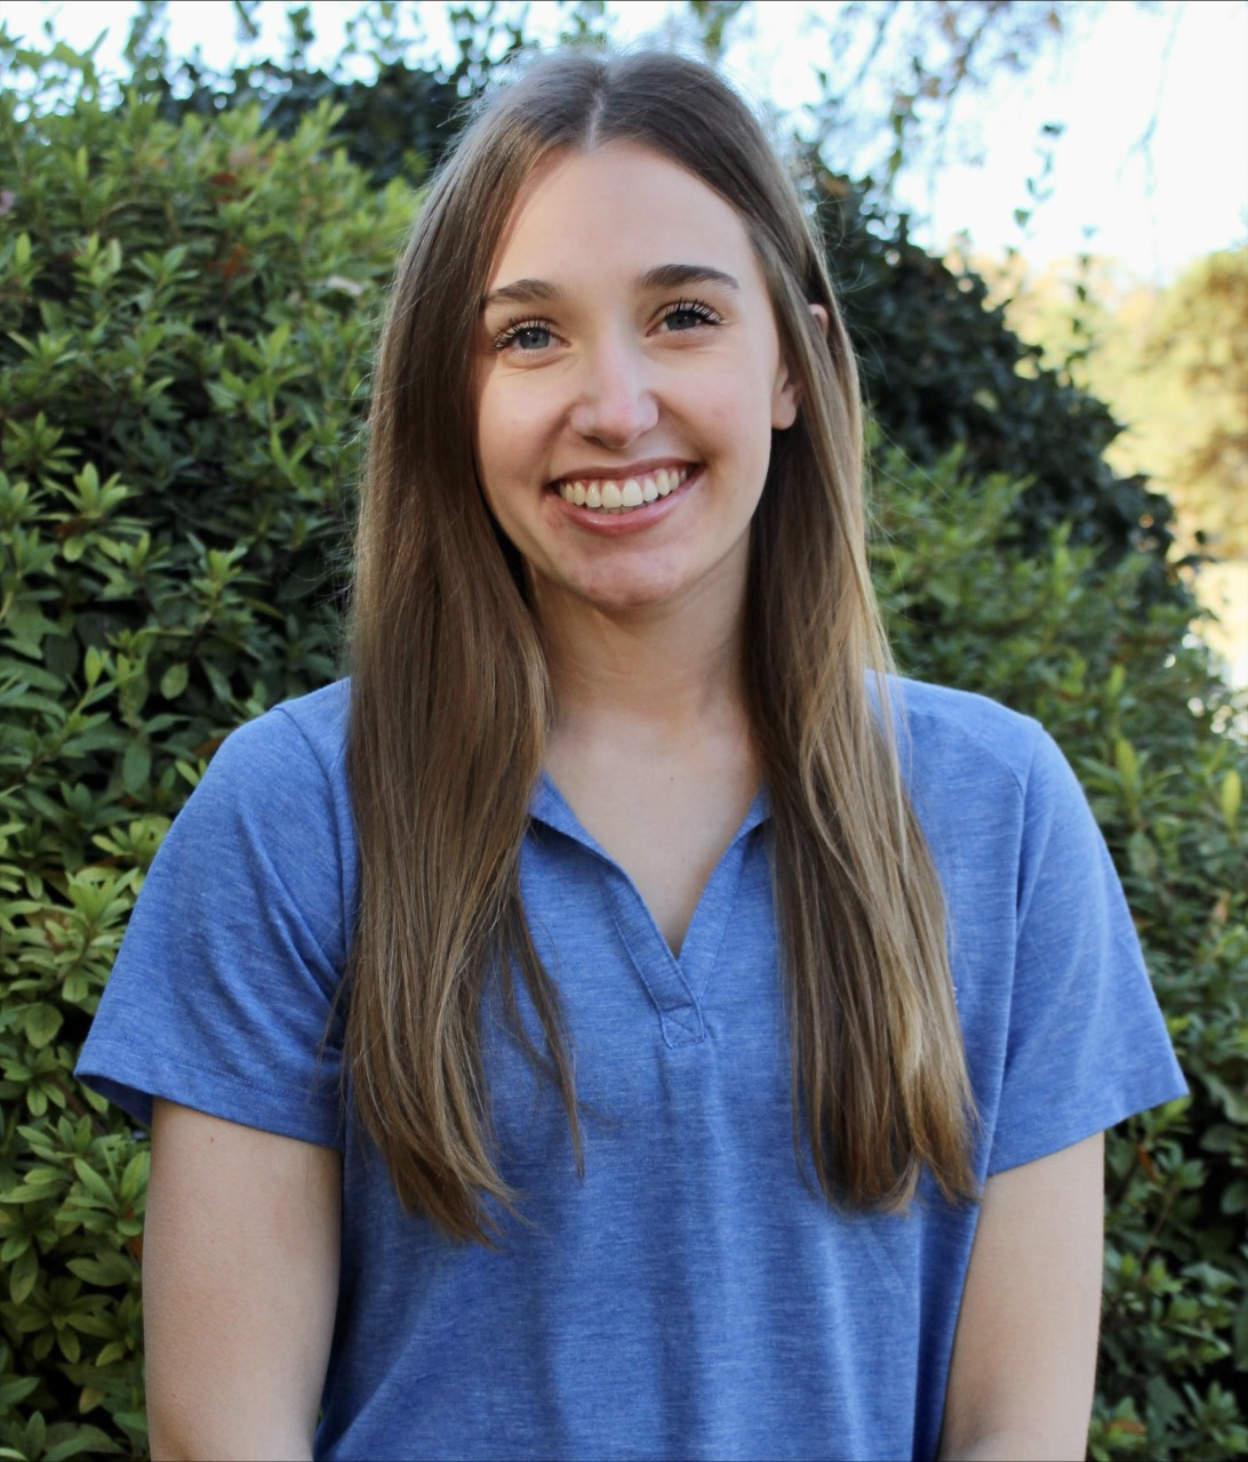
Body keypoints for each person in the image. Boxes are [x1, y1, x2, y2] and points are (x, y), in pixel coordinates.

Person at [76, 46, 1186, 1462]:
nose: (613, 404)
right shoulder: (295, 810)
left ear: (791, 364)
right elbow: (223, 1430)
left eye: (683, 316)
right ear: (455, 392)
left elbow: (1015, 1430)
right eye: (530, 335)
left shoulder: (1002, 811)